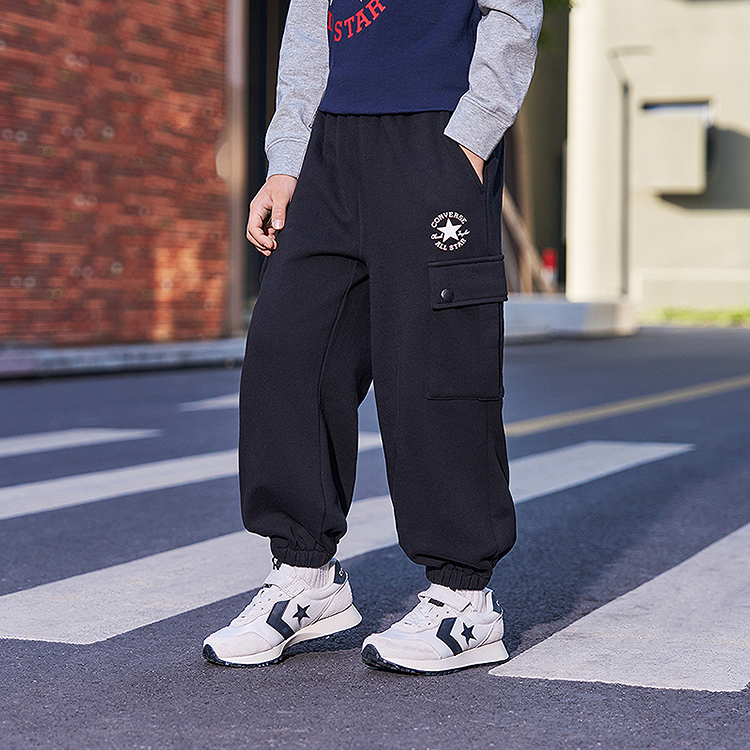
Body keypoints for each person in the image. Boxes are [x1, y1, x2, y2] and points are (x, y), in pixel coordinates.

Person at [203, 0, 543, 674]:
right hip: (328, 148)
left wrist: (472, 135)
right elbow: (309, 27)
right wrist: (287, 162)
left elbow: (512, 12)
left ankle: (464, 601)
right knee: (287, 354)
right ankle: (305, 576)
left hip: (436, 134)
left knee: (433, 368)